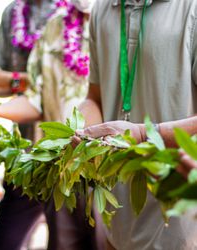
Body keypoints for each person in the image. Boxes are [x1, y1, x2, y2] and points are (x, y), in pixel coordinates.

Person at [0, 0, 104, 249]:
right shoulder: (51, 27)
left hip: (105, 171)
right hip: (50, 165)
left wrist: (9, 81)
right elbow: (35, 101)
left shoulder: (117, 23)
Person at [72, 0, 197, 249]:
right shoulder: (102, 9)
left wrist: (144, 134)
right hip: (116, 221)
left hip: (179, 225)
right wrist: (82, 131)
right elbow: (94, 97)